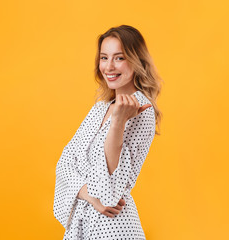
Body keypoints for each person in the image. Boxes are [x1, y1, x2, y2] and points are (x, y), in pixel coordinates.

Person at [53, 25, 162, 239]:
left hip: (114, 229)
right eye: (104, 58)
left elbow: (109, 191)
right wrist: (90, 196)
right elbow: (64, 164)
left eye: (119, 58)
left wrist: (118, 122)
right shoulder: (101, 107)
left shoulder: (142, 111)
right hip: (84, 226)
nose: (109, 67)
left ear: (136, 61)